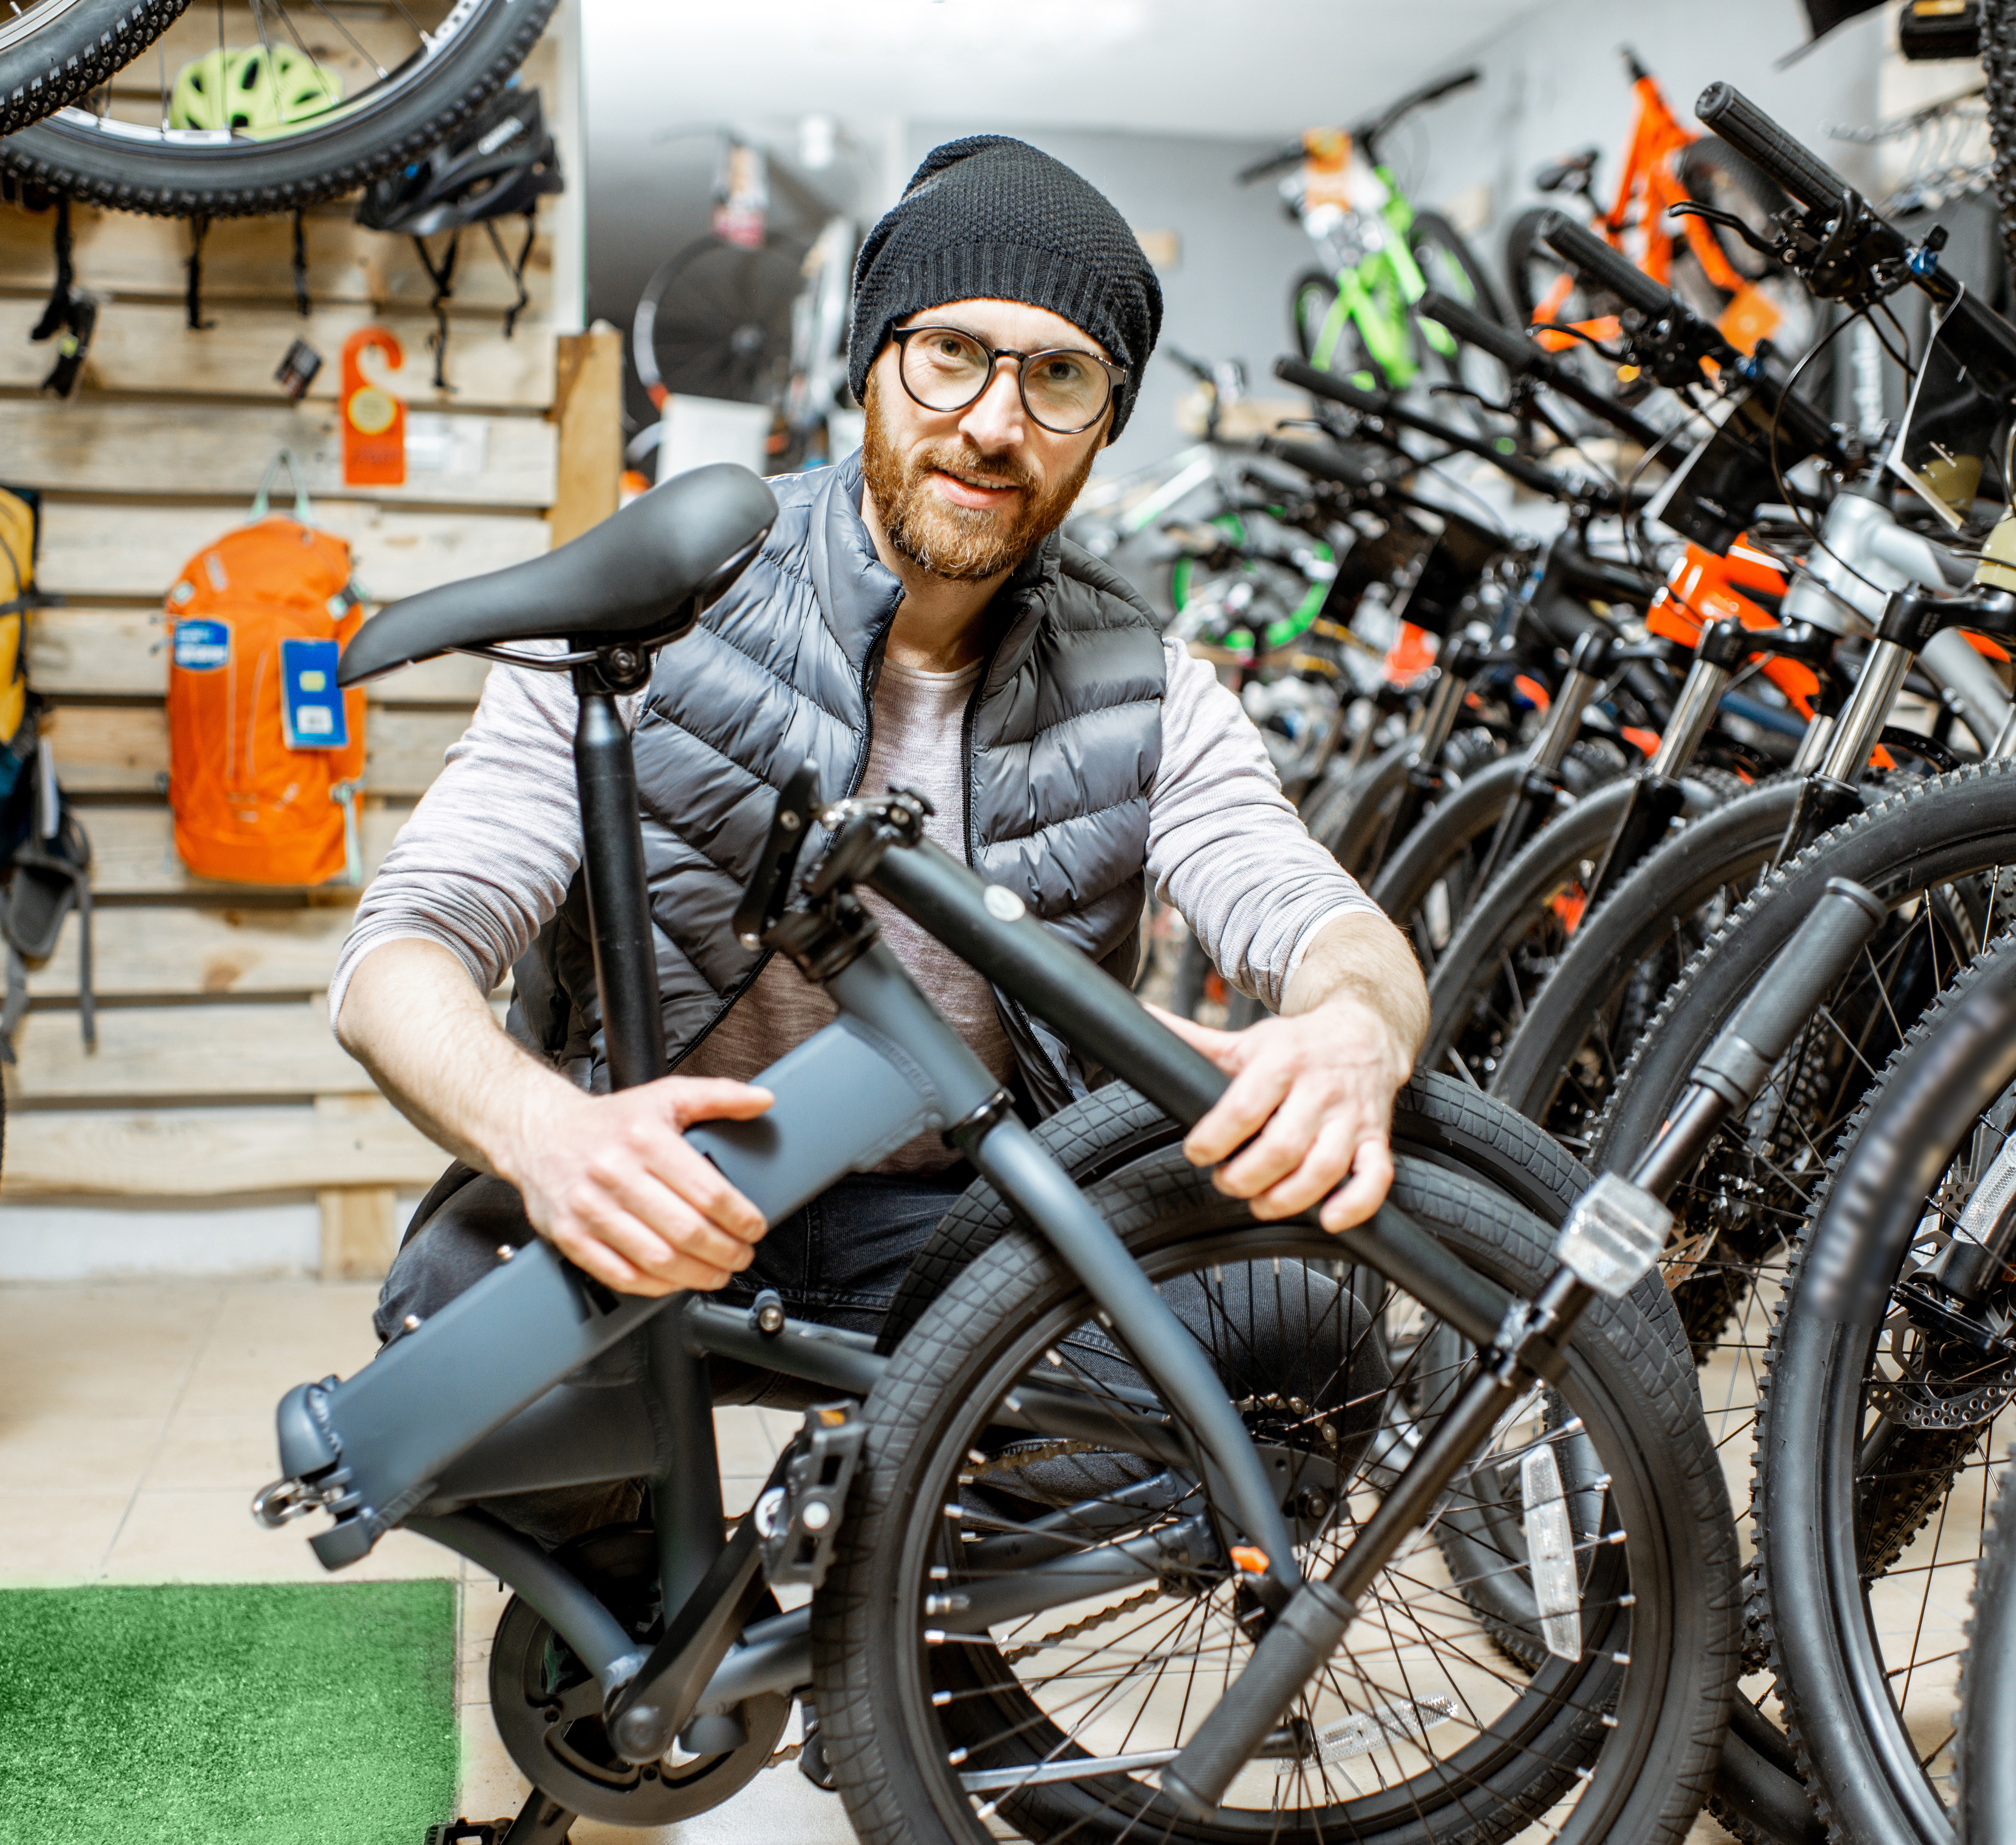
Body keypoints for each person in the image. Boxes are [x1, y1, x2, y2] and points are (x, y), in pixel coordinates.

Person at [330, 134, 1428, 1350]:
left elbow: (1310, 908)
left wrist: (1355, 1028)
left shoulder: (1144, 685)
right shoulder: (654, 610)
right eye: (950, 355)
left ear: (1106, 422)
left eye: (1059, 377)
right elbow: (402, 954)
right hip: (657, 1175)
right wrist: (548, 1136)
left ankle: (947, 1540)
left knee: (1296, 1332)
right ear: (870, 368)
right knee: (460, 1334)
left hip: (966, 1214)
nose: (994, 425)